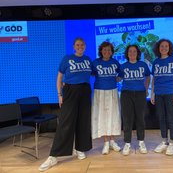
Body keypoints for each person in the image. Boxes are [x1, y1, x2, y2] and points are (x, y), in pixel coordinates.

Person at [39, 37, 92, 171]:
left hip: (85, 91)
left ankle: (80, 149)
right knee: (65, 123)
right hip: (70, 91)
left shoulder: (88, 60)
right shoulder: (67, 59)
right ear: (74, 46)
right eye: (77, 45)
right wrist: (59, 95)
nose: (80, 47)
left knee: (83, 121)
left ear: (85, 46)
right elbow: (59, 78)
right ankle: (54, 156)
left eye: (82, 45)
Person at [150, 39, 173, 155]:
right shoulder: (156, 62)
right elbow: (154, 80)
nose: (164, 48)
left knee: (171, 119)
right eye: (161, 46)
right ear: (158, 48)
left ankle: (172, 143)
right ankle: (164, 141)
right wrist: (152, 93)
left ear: (170, 48)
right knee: (161, 118)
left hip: (170, 93)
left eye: (166, 46)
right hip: (158, 93)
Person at [118, 44, 151, 156]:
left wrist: (146, 89)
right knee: (127, 119)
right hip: (126, 94)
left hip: (140, 93)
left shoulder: (143, 65)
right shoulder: (123, 66)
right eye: (130, 51)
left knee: (140, 118)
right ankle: (127, 143)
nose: (132, 53)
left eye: (134, 51)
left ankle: (141, 142)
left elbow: (148, 77)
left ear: (137, 53)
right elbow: (118, 78)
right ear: (127, 54)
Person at [91, 41, 121, 155]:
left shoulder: (115, 62)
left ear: (112, 52)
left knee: (113, 116)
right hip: (100, 92)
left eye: (109, 50)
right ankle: (106, 143)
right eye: (104, 50)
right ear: (101, 51)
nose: (106, 52)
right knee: (102, 116)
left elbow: (122, 72)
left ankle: (113, 141)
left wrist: (119, 78)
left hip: (112, 91)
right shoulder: (95, 62)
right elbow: (92, 73)